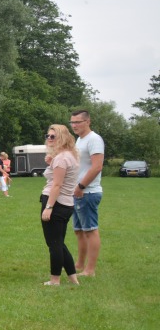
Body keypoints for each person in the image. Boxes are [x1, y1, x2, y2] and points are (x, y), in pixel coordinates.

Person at [40, 124, 80, 285]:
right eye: (48, 135)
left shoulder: (62, 158)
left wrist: (49, 207)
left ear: (62, 138)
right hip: (66, 204)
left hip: (56, 203)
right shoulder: (69, 156)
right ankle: (73, 278)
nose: (49, 139)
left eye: (53, 136)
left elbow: (57, 185)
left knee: (54, 244)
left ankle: (54, 280)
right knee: (59, 243)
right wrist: (51, 163)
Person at [70, 109, 105, 277]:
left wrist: (81, 186)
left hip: (88, 192)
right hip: (78, 192)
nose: (74, 125)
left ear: (87, 122)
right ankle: (79, 264)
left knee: (90, 230)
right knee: (79, 230)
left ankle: (90, 270)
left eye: (78, 122)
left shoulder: (94, 139)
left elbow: (97, 166)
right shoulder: (80, 139)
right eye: (72, 122)